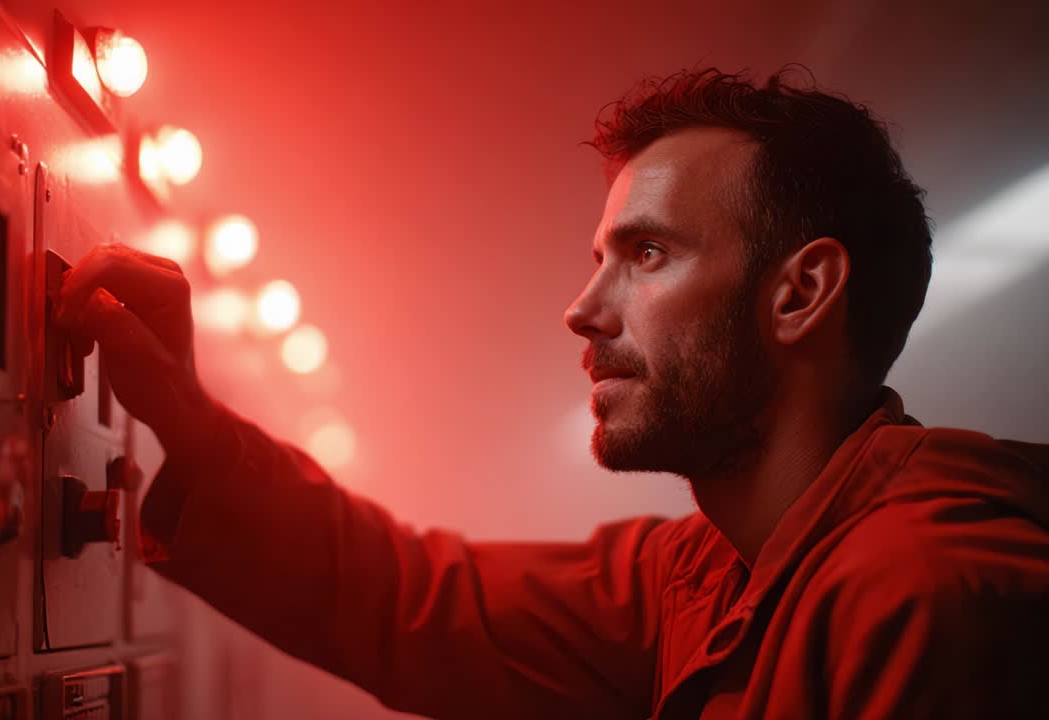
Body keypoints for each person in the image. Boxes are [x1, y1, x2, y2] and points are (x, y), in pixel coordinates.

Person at [56, 69, 1048, 719]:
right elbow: (410, 598)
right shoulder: (709, 569)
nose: (581, 311)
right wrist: (190, 426)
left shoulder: (933, 598)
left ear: (798, 294)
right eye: (598, 259)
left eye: (647, 255)